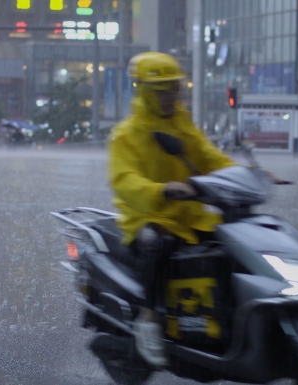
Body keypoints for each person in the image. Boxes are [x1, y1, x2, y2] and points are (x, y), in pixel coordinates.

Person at [107, 52, 236, 368]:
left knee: (231, 243)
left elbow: (209, 157)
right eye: (159, 89)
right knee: (159, 243)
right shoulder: (126, 134)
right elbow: (124, 180)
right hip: (147, 217)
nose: (168, 96)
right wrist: (161, 190)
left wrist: (245, 174)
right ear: (143, 90)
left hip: (189, 214)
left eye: (173, 89)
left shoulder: (183, 124)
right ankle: (148, 319)